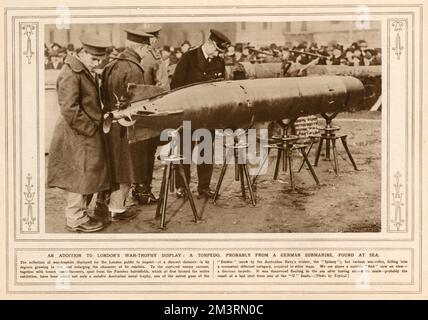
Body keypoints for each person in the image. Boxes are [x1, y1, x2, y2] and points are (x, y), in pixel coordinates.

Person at [47, 33, 111, 232]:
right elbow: (69, 109)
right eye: (94, 59)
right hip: (76, 134)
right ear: (82, 53)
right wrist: (91, 128)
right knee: (77, 177)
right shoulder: (71, 72)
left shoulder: (82, 68)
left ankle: (80, 214)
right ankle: (75, 219)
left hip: (83, 133)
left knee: (86, 176)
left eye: (99, 60)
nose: (96, 64)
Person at [100, 27, 155, 219]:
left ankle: (102, 205)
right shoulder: (134, 69)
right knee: (126, 168)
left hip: (109, 123)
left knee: (112, 165)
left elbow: (103, 95)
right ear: (140, 48)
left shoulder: (111, 64)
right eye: (146, 49)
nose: (147, 53)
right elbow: (137, 102)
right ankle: (117, 208)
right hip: (126, 126)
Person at [170, 29, 230, 198]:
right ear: (209, 43)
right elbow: (175, 86)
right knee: (185, 152)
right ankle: (182, 186)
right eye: (217, 50)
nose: (218, 55)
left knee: (206, 152)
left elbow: (221, 87)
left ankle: (204, 187)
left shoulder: (218, 61)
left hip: (208, 117)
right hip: (188, 115)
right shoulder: (188, 58)